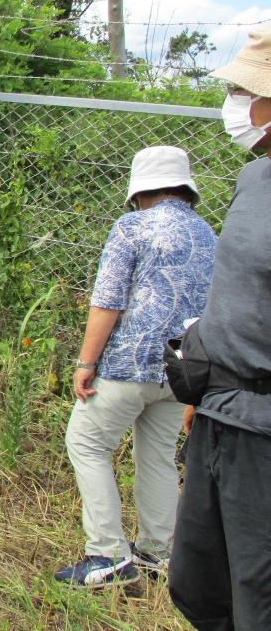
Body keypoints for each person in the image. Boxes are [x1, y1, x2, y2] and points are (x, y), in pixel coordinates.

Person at [54, 146, 216, 588]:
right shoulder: (208, 234)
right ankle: (158, 554)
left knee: (86, 443)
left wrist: (86, 362)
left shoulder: (132, 227)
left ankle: (107, 555)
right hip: (183, 370)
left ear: (139, 191)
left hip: (129, 364)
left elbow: (107, 301)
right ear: (186, 188)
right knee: (159, 456)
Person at [169, 26, 271, 630]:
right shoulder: (255, 179)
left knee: (257, 593)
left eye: (242, 89)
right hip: (218, 409)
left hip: (261, 428)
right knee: (202, 583)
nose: (232, 102)